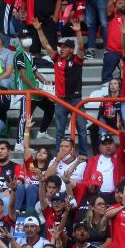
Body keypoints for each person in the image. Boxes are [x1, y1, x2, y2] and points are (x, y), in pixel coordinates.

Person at [33, 18, 87, 155]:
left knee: (81, 129)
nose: (61, 49)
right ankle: (59, 155)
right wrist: (39, 30)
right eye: (60, 47)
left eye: (64, 47)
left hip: (76, 99)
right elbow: (46, 45)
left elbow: (80, 47)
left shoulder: (77, 59)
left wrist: (78, 32)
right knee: (60, 131)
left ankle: (83, 155)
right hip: (60, 100)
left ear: (70, 49)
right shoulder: (57, 58)